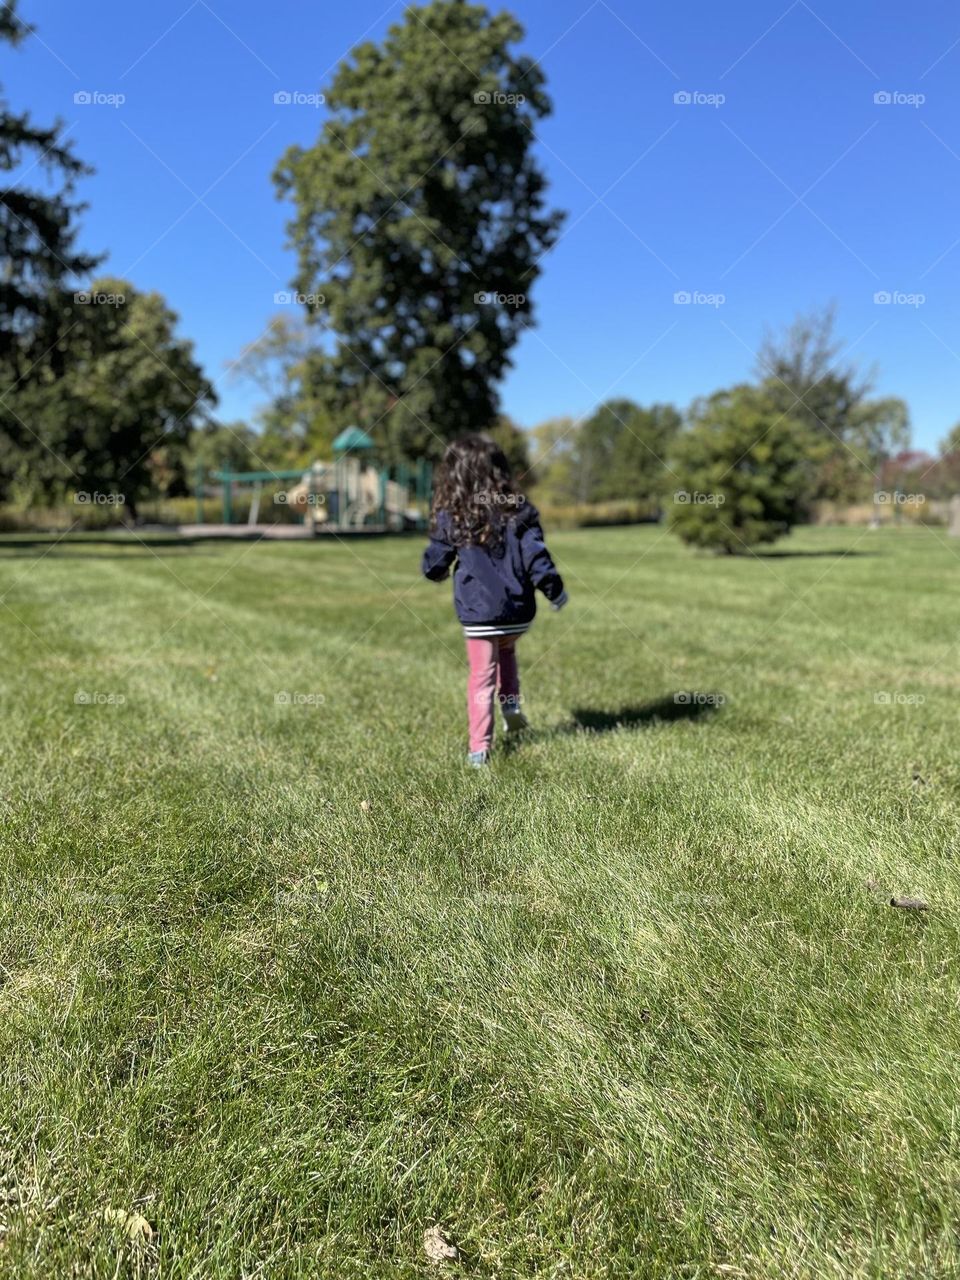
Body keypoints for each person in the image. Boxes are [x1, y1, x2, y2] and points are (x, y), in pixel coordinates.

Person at [421, 434, 567, 766]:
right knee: (507, 651)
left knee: (482, 676)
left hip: (480, 613)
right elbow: (537, 558)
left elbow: (437, 560)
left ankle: (479, 749)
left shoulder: (454, 514)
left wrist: (433, 570)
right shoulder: (519, 511)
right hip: (518, 612)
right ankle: (511, 705)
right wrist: (555, 590)